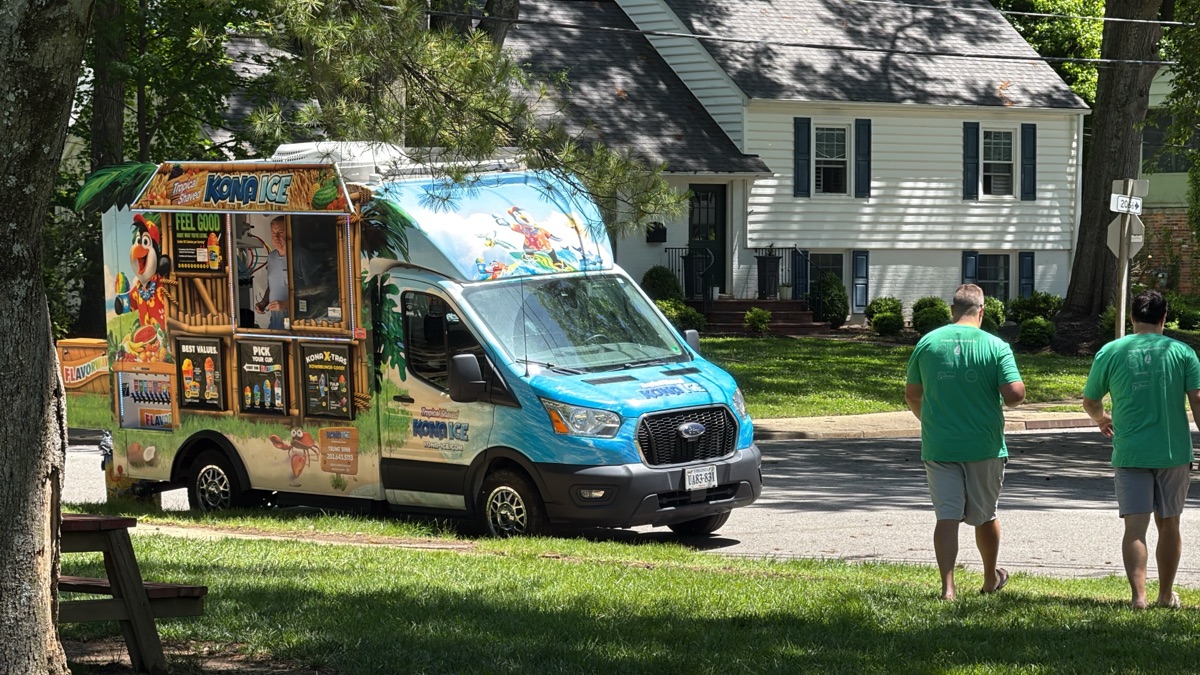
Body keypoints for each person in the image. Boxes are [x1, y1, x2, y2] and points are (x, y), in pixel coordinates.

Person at [905, 284, 1025, 600]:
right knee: (985, 516)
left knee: (947, 516)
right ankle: (989, 579)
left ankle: (948, 589)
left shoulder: (928, 343)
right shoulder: (996, 346)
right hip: (984, 446)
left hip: (940, 445)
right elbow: (1014, 395)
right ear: (981, 311)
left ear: (952, 310)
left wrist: (927, 420)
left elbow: (912, 394)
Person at [1082, 289, 1200, 610]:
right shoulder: (1183, 353)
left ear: (1132, 317)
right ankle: (1165, 595)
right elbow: (1198, 402)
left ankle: (1139, 598)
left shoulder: (1111, 351)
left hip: (1130, 453)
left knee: (1135, 528)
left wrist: (1101, 419)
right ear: (1164, 318)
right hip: (1173, 453)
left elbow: (1090, 401)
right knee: (1170, 524)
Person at [255, 216, 288, 329]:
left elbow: (312, 293)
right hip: (275, 323)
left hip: (294, 326)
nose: (276, 237)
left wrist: (286, 305)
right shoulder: (271, 257)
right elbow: (272, 285)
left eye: (280, 232)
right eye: (273, 233)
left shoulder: (299, 256)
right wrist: (264, 302)